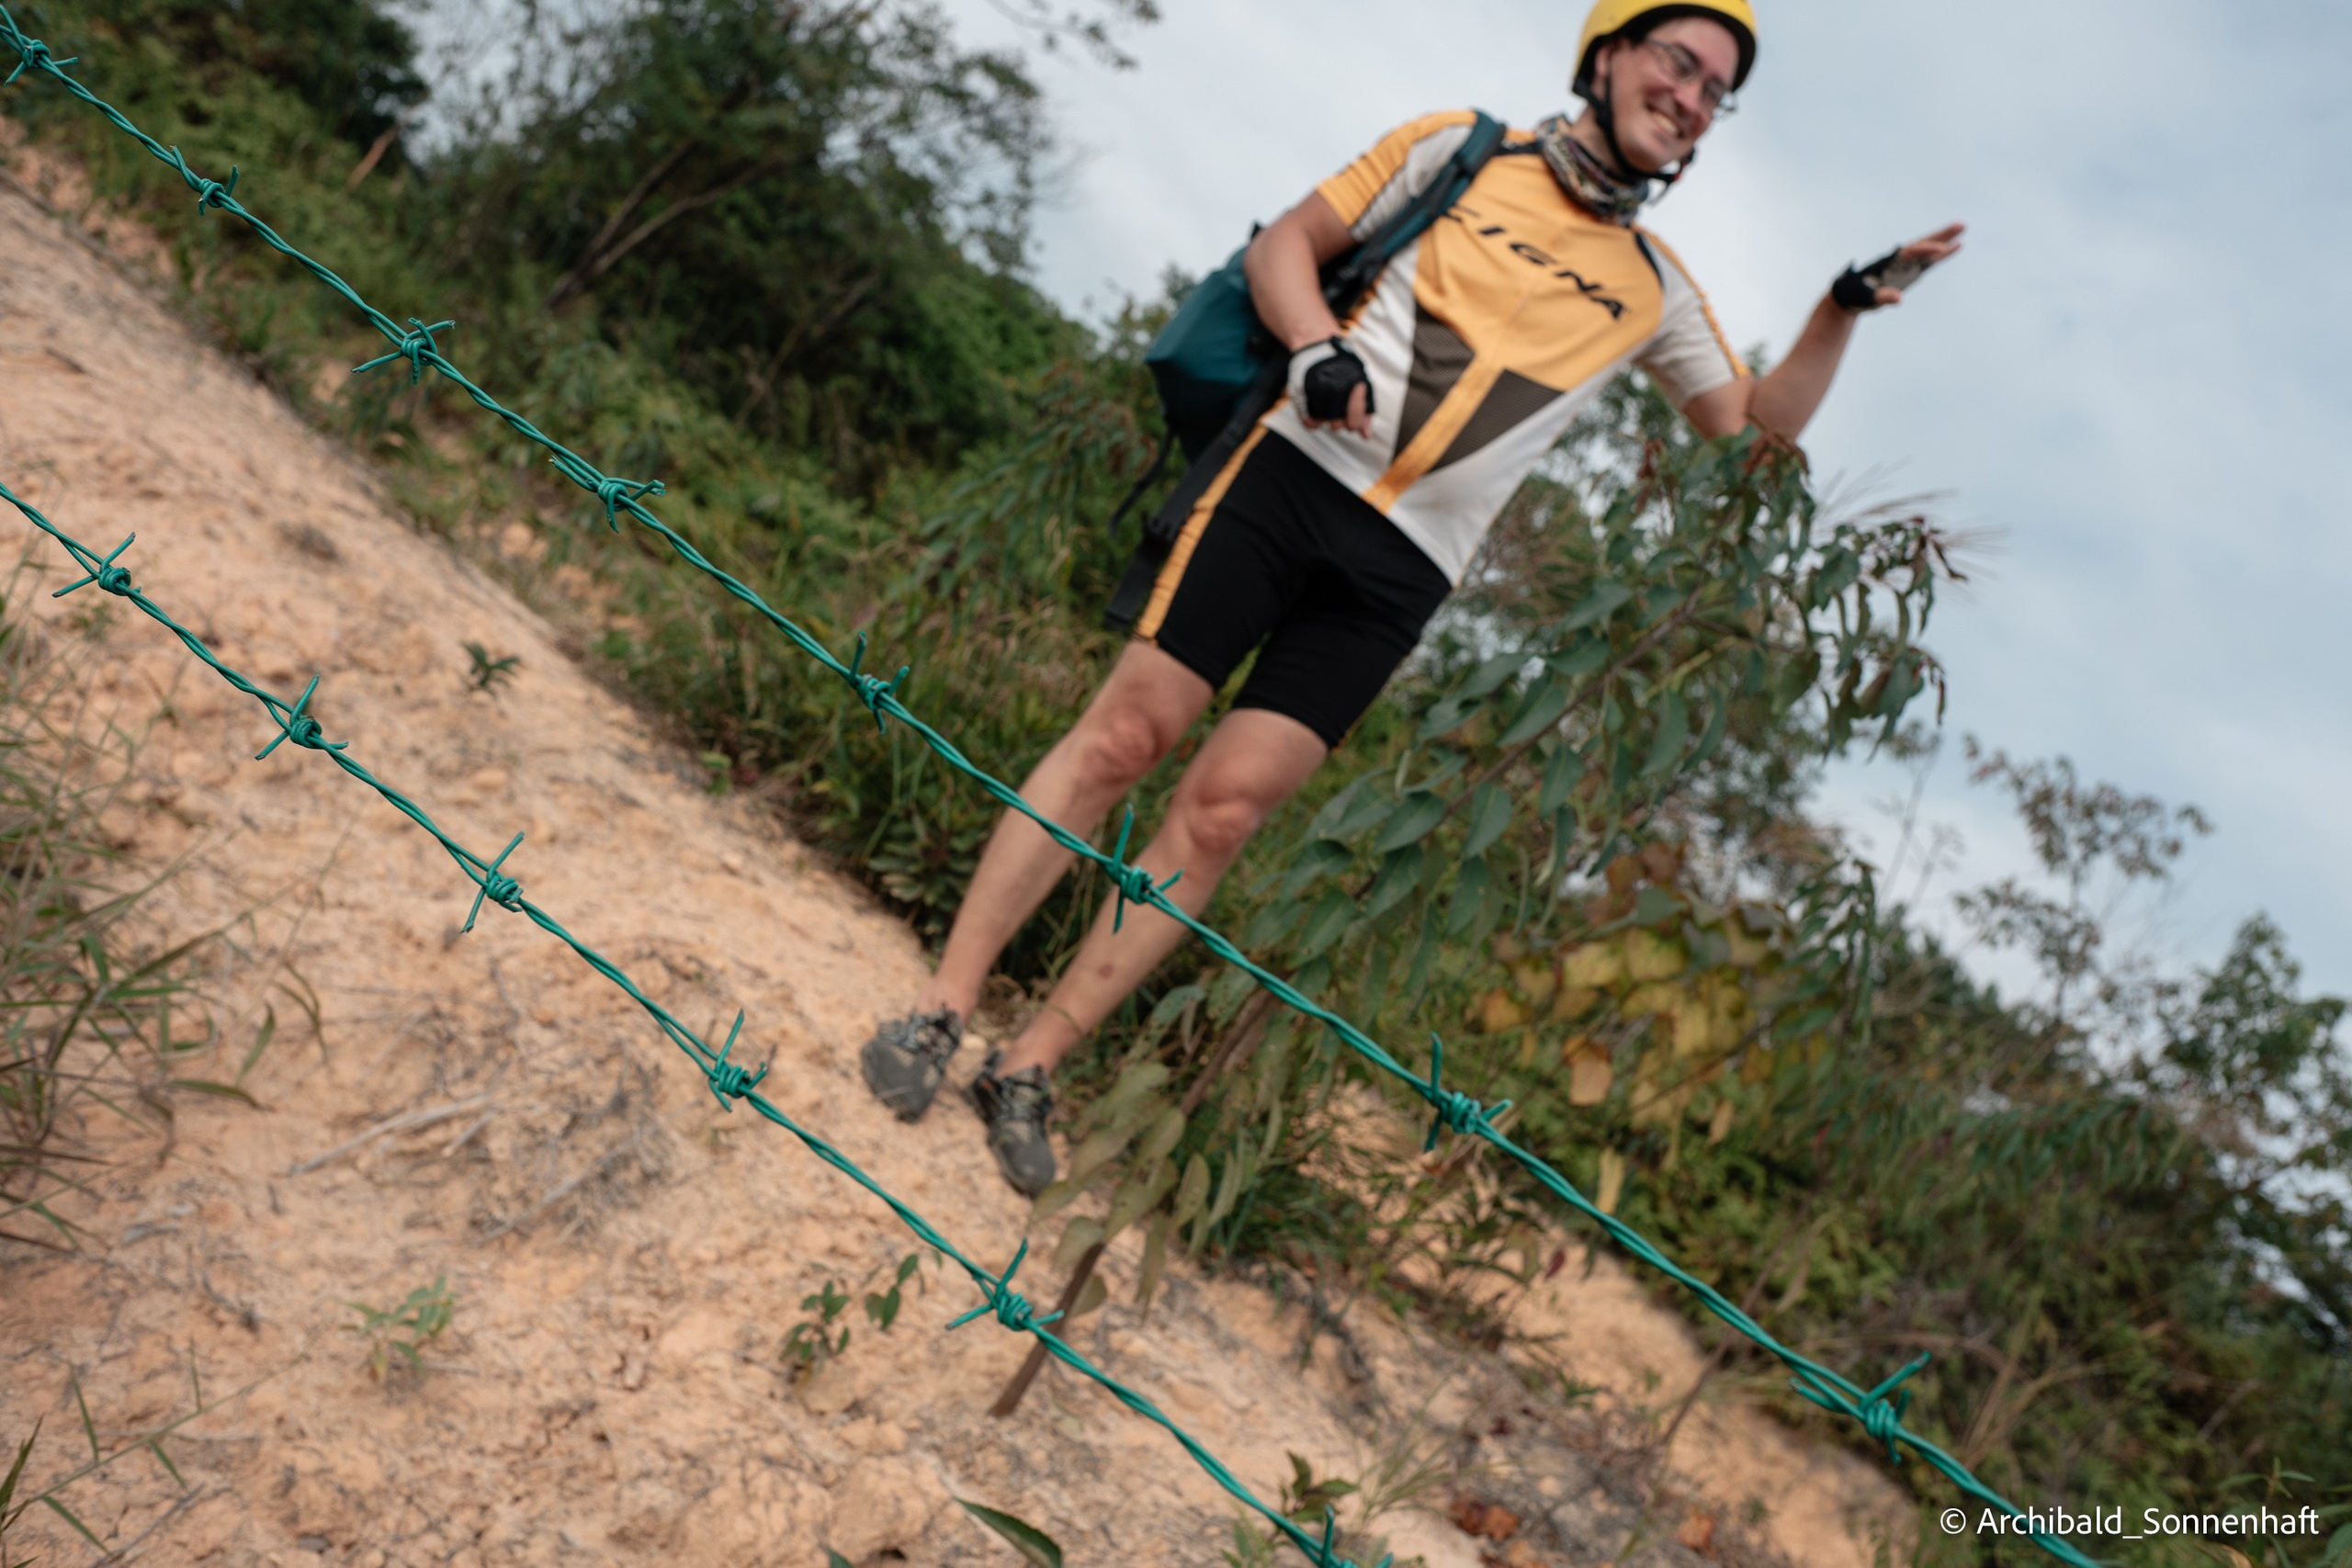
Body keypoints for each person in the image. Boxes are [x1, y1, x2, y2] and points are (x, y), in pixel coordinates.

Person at [862, 0, 1965, 1194]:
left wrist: (1840, 309)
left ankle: (1028, 1066)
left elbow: (1752, 434)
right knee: (1126, 737)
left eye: (1716, 92)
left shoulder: (1651, 287)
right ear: (1608, 56)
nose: (1692, 98)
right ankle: (942, 1004)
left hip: (1402, 572)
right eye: (1678, 62)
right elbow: (1287, 244)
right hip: (1289, 476)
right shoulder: (1463, 150)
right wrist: (1314, 350)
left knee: (1224, 817)